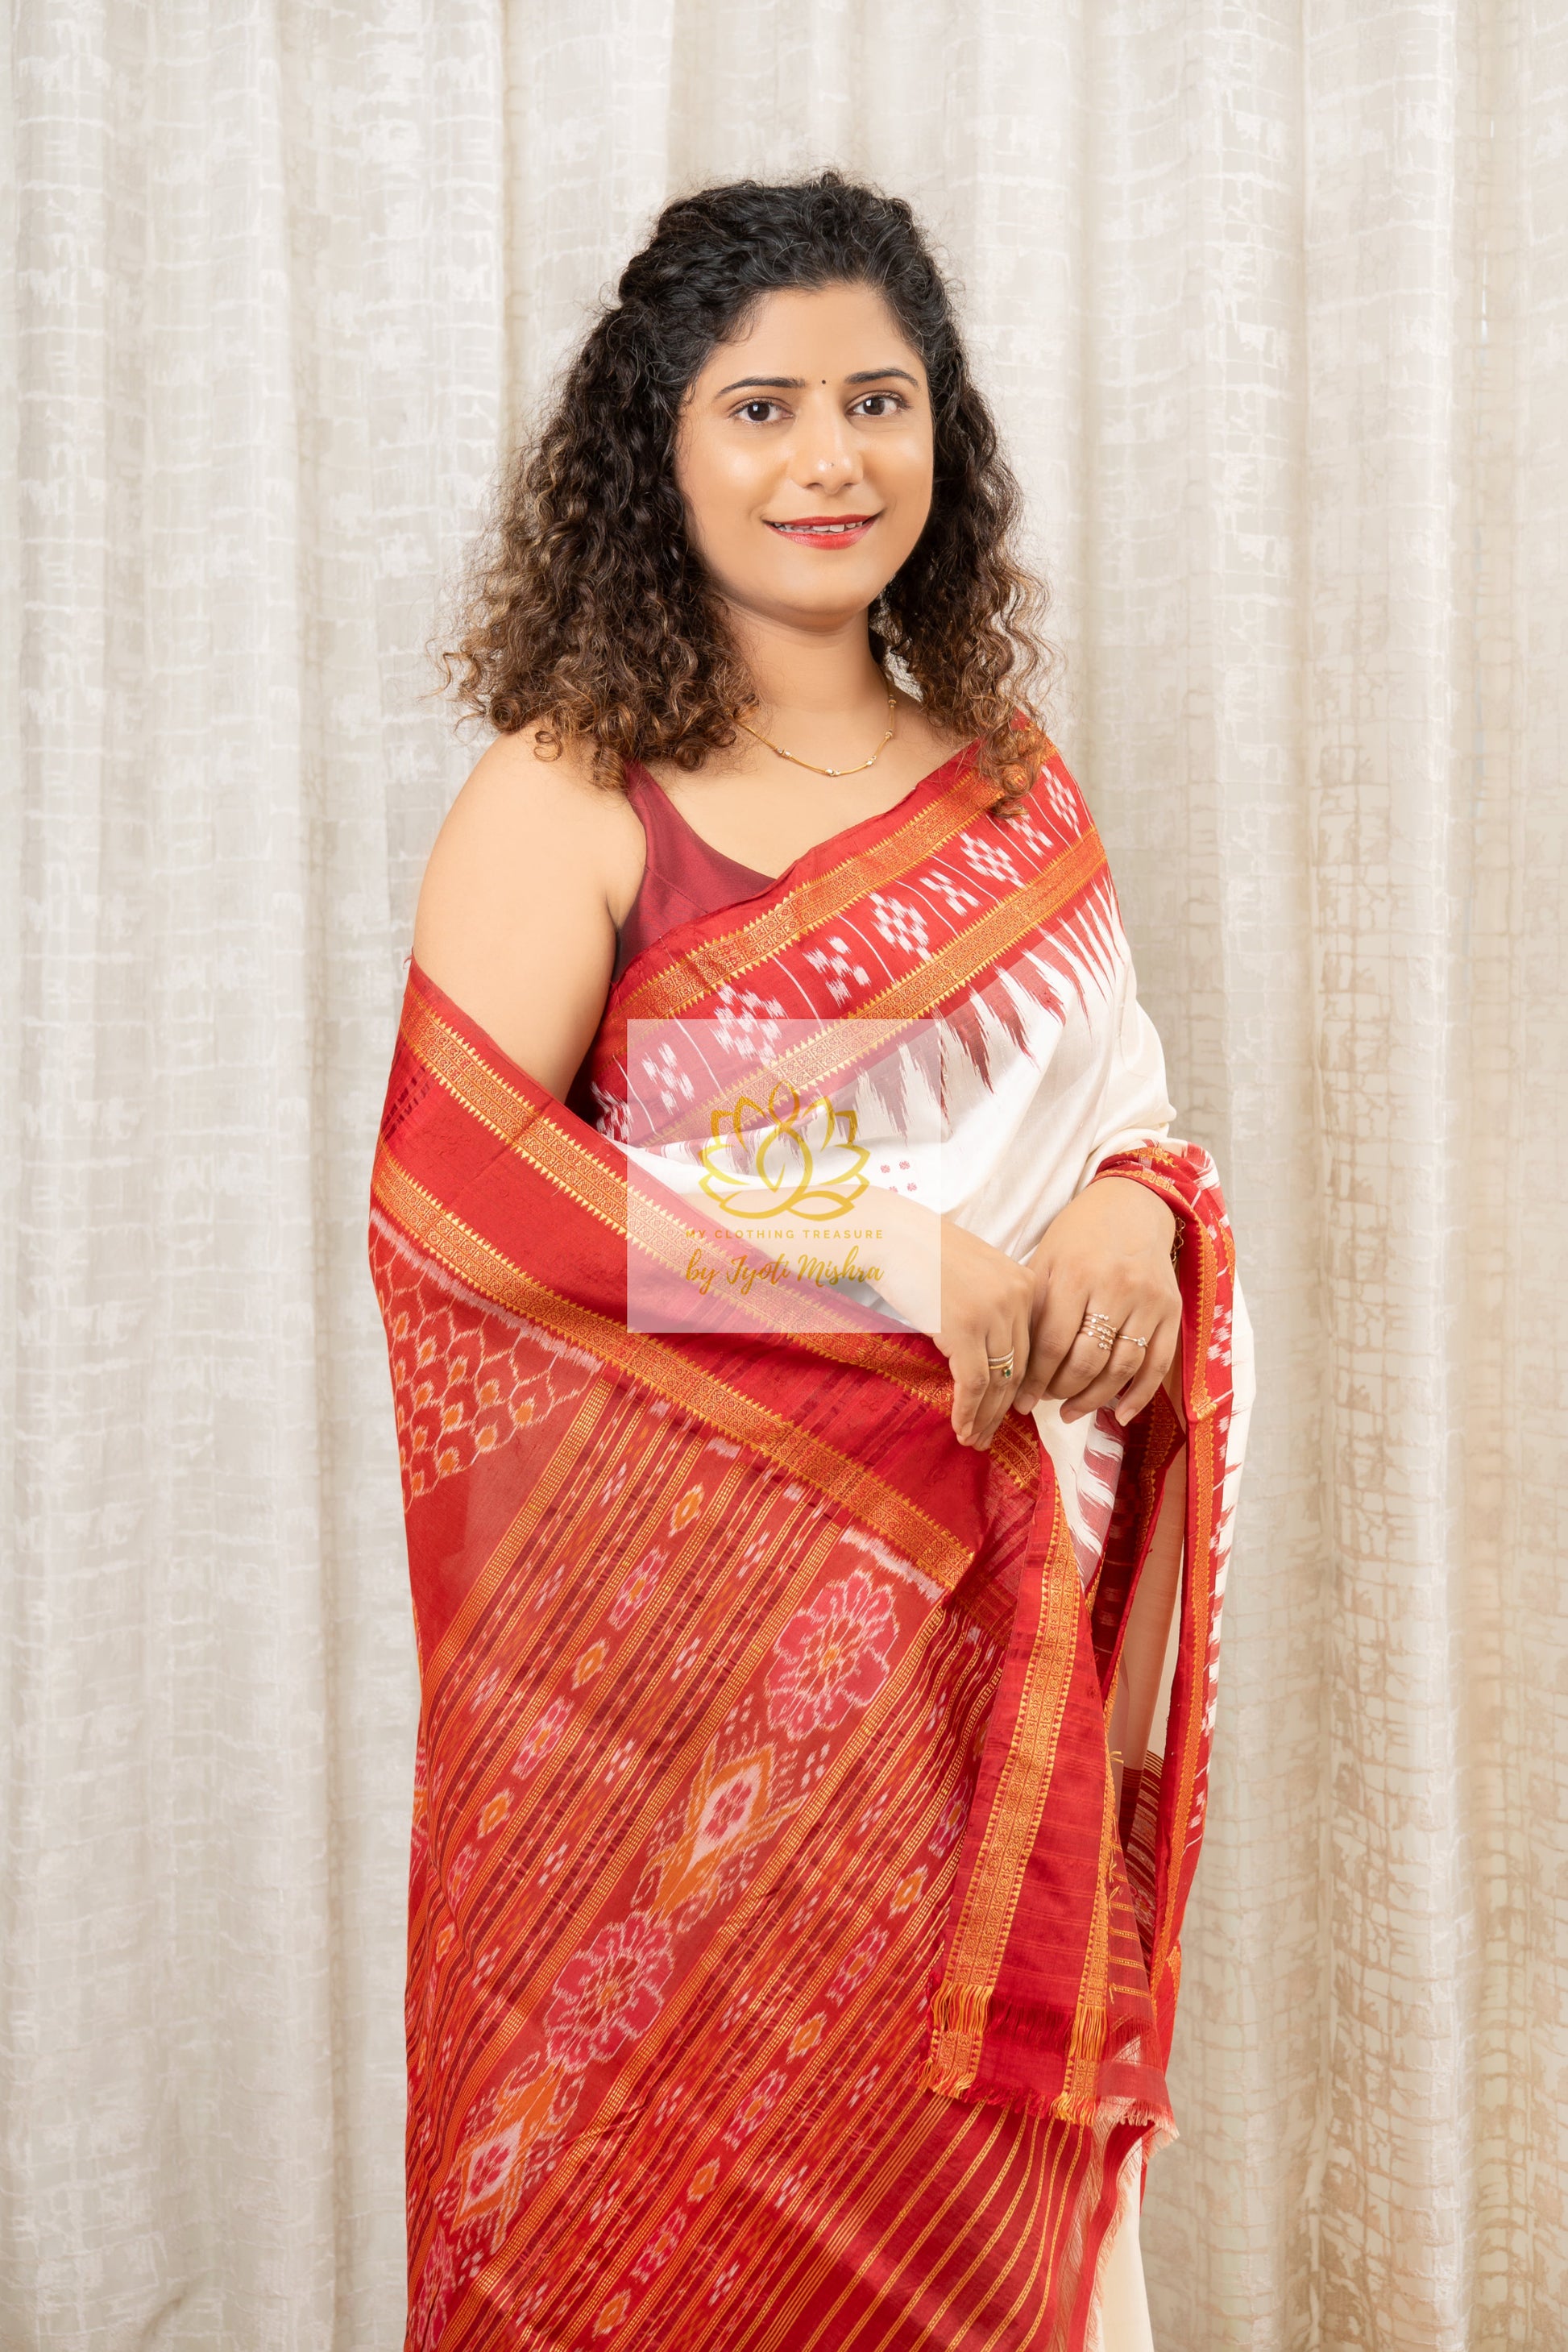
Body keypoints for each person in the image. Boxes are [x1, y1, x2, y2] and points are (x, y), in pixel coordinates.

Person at [374, 172, 1251, 2352]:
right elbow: (460, 1202)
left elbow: (1123, 1102)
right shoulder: (573, 793)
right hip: (675, 1696)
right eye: (759, 408)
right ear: (658, 450)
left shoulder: (1009, 783)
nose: (827, 459)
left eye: (877, 399)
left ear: (940, 430)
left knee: (963, 2219)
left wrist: (1134, 1211)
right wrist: (880, 1252)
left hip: (991, 1672)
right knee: (667, 2203)